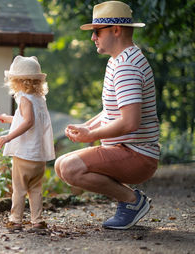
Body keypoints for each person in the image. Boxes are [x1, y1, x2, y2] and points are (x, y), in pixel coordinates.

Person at [54, 1, 160, 230]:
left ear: (116, 30)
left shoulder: (126, 67)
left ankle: (132, 201)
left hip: (138, 154)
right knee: (61, 164)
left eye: (96, 31)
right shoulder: (119, 60)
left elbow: (130, 122)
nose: (93, 38)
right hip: (126, 150)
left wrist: (91, 133)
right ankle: (130, 201)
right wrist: (87, 125)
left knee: (70, 168)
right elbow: (112, 111)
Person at [0, 55, 55, 231]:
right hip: (39, 156)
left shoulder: (23, 98)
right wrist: (8, 119)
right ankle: (37, 221)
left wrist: (8, 137)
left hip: (24, 154)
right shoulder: (39, 99)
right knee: (35, 189)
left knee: (19, 189)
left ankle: (16, 220)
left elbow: (28, 122)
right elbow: (27, 119)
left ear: (18, 81)